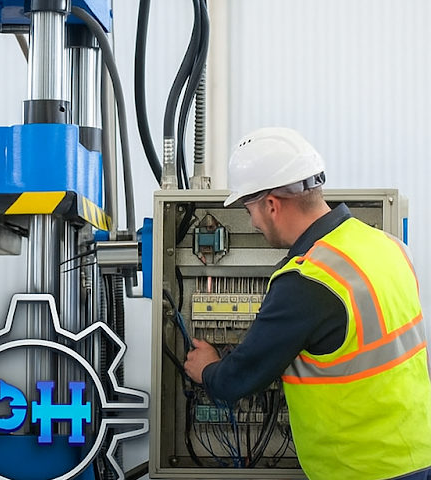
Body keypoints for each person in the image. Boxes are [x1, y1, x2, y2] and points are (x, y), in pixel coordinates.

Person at [184, 127, 431, 480]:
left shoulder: (307, 279)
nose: (252, 223)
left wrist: (208, 369)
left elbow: (237, 380)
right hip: (417, 454)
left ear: (271, 205)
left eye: (249, 210)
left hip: (364, 468)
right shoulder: (389, 246)